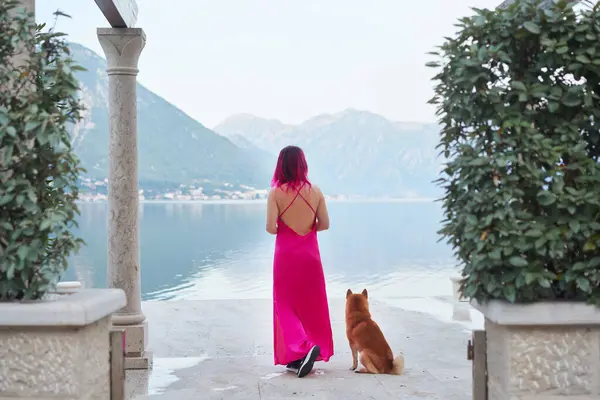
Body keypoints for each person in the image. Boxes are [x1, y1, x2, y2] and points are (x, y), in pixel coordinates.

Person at [266, 145, 334, 378]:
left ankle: (303, 347)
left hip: (286, 255)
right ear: (303, 165)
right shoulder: (315, 191)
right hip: (310, 256)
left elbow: (270, 228)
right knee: (310, 305)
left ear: (281, 165)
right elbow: (324, 224)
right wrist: (308, 227)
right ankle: (300, 356)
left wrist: (286, 226)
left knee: (284, 305)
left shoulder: (276, 192)